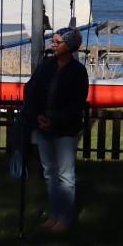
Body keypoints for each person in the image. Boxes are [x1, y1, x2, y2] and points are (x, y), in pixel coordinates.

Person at [22, 27, 89, 233]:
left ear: (68, 46)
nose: (52, 45)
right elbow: (30, 90)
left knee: (65, 175)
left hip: (65, 129)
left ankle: (65, 218)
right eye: (53, 41)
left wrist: (56, 121)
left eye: (57, 42)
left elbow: (77, 103)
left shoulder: (78, 71)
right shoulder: (46, 65)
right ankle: (53, 215)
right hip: (42, 125)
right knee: (50, 173)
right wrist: (37, 116)